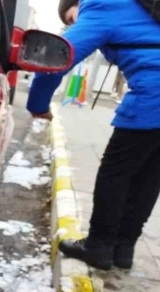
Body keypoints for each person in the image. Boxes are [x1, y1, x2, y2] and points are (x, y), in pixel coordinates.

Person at [27, 0, 160, 270]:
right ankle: (123, 249)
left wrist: (37, 106)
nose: (74, 25)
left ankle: (99, 246)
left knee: (115, 173)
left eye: (72, 19)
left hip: (153, 96)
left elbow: (57, 55)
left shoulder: (101, 5)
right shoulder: (141, 9)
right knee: (149, 175)